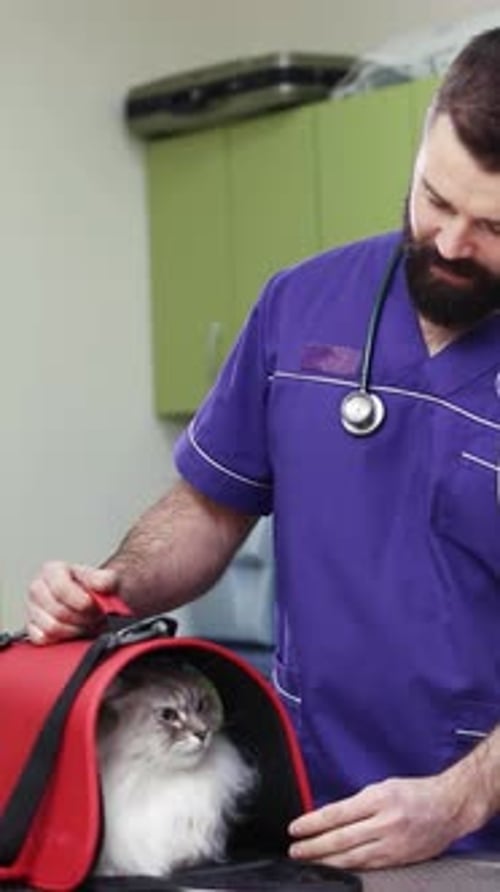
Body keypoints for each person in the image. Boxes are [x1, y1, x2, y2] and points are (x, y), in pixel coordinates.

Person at [27, 28, 500, 870]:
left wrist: (462, 795)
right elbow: (210, 508)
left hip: (479, 826)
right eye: (435, 198)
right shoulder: (302, 304)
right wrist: (109, 589)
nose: (453, 242)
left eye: (494, 225)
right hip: (302, 804)